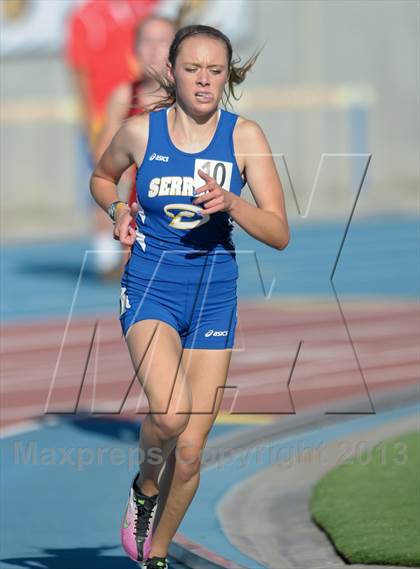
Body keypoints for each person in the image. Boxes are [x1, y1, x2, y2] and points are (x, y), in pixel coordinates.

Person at [90, 24, 290, 569]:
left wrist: (233, 203)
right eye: (193, 69)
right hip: (152, 287)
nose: (204, 80)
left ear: (229, 76)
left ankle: (154, 555)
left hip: (214, 296)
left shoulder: (245, 136)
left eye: (216, 70)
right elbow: (102, 179)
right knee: (172, 413)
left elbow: (278, 232)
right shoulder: (139, 133)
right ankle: (144, 488)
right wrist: (118, 211)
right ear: (172, 72)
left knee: (194, 451)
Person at [94, 15, 176, 271]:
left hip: (182, 204)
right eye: (147, 41)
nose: (153, 49)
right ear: (135, 48)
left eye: (162, 41)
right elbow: (103, 159)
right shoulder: (124, 94)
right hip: (139, 204)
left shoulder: (190, 98)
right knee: (137, 285)